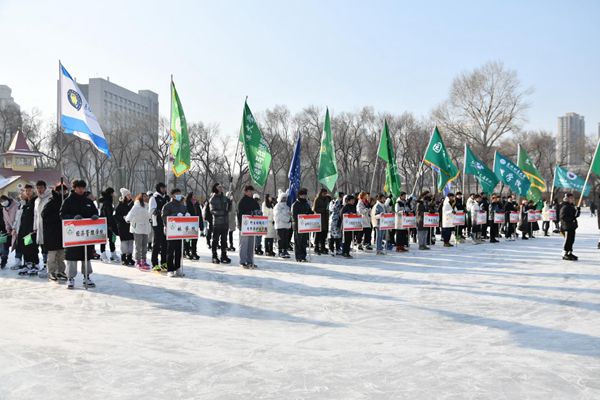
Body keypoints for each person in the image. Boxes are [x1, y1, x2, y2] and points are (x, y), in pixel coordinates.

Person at [60, 180, 99, 289]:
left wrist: (95, 216)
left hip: (86, 235)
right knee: (72, 257)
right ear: (74, 188)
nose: (81, 190)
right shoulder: (68, 201)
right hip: (72, 235)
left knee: (86, 256)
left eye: (83, 187)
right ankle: (70, 278)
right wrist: (73, 218)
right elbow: (62, 215)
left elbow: (95, 212)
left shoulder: (88, 201)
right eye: (79, 187)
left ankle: (87, 277)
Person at [42, 183, 69, 282]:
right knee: (52, 255)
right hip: (52, 233)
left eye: (64, 191)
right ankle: (51, 272)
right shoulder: (51, 202)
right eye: (61, 190)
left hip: (63, 233)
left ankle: (61, 271)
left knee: (61, 255)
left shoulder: (66, 202)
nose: (63, 192)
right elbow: (44, 215)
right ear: (57, 191)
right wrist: (58, 218)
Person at [161, 188, 188, 277]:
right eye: (177, 194)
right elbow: (164, 217)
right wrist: (175, 216)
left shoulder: (182, 206)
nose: (179, 195)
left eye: (180, 193)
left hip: (180, 231)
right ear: (172, 195)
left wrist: (187, 215)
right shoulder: (167, 206)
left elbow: (186, 213)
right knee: (170, 250)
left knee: (178, 250)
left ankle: (177, 268)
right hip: (171, 231)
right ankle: (170, 269)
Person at [125, 193, 152, 270]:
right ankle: (138, 261)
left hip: (146, 228)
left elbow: (149, 216)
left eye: (146, 196)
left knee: (144, 246)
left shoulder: (147, 206)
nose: (146, 198)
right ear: (140, 198)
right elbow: (130, 214)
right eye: (144, 196)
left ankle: (144, 261)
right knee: (138, 246)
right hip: (137, 229)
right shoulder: (136, 206)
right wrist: (128, 219)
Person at [237, 185, 261, 269]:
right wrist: (250, 213)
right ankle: (242, 261)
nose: (251, 193)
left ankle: (250, 261)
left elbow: (258, 211)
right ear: (245, 192)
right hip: (244, 226)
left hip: (252, 226)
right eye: (249, 191)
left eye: (252, 191)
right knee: (244, 244)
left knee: (251, 245)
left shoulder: (254, 202)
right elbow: (240, 214)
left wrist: (258, 213)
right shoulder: (242, 201)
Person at [17, 184, 38, 275]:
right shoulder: (25, 202)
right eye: (26, 191)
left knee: (32, 248)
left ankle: (34, 265)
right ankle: (27, 264)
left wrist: (34, 228)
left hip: (31, 230)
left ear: (33, 191)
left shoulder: (35, 201)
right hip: (23, 229)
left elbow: (36, 216)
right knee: (25, 247)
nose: (28, 192)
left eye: (29, 190)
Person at [209, 183, 231, 264]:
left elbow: (229, 209)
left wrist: (230, 202)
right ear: (215, 188)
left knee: (224, 240)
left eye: (221, 186)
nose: (221, 188)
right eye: (219, 187)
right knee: (215, 240)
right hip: (217, 223)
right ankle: (214, 256)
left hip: (225, 222)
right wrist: (222, 212)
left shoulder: (224, 197)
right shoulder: (213, 198)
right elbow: (212, 211)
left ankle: (223, 255)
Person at [149, 183, 169, 272]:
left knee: (165, 243)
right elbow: (151, 211)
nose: (164, 189)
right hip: (157, 223)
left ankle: (164, 262)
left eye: (165, 188)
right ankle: (155, 263)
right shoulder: (154, 198)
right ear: (158, 188)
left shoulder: (167, 197)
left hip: (166, 223)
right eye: (162, 188)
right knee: (157, 243)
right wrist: (160, 211)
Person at [33, 180, 51, 269]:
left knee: (49, 245)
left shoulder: (50, 198)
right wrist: (35, 227)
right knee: (42, 246)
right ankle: (44, 263)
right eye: (38, 188)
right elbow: (35, 215)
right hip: (39, 226)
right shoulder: (37, 200)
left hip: (49, 226)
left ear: (45, 187)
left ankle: (50, 264)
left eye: (41, 188)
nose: (39, 190)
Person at [291, 188, 313, 262]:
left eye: (305, 195)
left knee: (304, 242)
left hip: (305, 226)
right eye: (302, 195)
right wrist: (302, 217)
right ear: (299, 195)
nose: (304, 196)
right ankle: (298, 256)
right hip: (298, 225)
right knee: (298, 242)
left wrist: (312, 214)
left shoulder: (306, 204)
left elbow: (310, 211)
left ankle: (303, 256)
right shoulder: (295, 204)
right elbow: (294, 215)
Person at [115, 188, 135, 266]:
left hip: (131, 226)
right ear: (124, 196)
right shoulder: (120, 205)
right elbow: (116, 216)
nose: (130, 196)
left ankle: (129, 257)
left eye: (130, 194)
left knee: (131, 241)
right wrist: (123, 217)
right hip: (123, 226)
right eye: (128, 195)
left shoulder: (133, 204)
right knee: (124, 242)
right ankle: (123, 258)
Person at [98, 187, 119, 263]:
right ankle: (103, 254)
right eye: (113, 193)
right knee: (104, 239)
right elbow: (108, 214)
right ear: (110, 193)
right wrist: (110, 225)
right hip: (105, 223)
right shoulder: (107, 202)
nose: (114, 194)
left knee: (112, 239)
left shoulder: (108, 201)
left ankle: (113, 254)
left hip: (108, 223)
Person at [1, 194, 20, 269]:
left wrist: (14, 228)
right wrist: (8, 229)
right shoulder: (4, 209)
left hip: (18, 228)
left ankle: (18, 261)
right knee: (5, 245)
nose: (3, 202)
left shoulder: (16, 205)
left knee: (18, 245)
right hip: (10, 230)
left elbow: (18, 217)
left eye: (4, 201)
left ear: (7, 199)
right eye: (1, 202)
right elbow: (5, 220)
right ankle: (4, 260)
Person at [559, 193, 580, 261]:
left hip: (572, 226)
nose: (573, 199)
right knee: (568, 240)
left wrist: (578, 210)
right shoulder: (565, 207)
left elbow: (575, 215)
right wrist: (571, 219)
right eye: (571, 198)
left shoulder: (571, 206)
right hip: (567, 227)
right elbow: (563, 217)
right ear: (567, 199)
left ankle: (569, 252)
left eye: (573, 198)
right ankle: (565, 253)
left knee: (571, 240)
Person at [184, 192, 203, 260]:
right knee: (187, 239)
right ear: (190, 196)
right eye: (193, 195)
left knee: (194, 239)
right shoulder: (187, 204)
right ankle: (187, 252)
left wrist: (201, 225)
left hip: (195, 224)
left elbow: (200, 215)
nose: (195, 196)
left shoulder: (197, 204)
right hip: (188, 224)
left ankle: (194, 252)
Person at [273, 191, 291, 259]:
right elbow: (279, 215)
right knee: (281, 239)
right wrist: (287, 219)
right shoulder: (277, 206)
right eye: (283, 198)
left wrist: (289, 218)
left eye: (285, 198)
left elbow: (289, 214)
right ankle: (280, 251)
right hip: (280, 225)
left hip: (286, 226)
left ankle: (285, 250)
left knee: (286, 239)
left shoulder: (287, 206)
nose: (284, 199)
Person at [312, 188, 330, 255]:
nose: (325, 194)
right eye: (323, 193)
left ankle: (323, 247)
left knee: (324, 234)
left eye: (325, 193)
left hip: (325, 218)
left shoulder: (327, 199)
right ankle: (316, 247)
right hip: (319, 218)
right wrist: (323, 210)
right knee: (318, 233)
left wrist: (328, 210)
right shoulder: (317, 199)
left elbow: (328, 207)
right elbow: (315, 209)